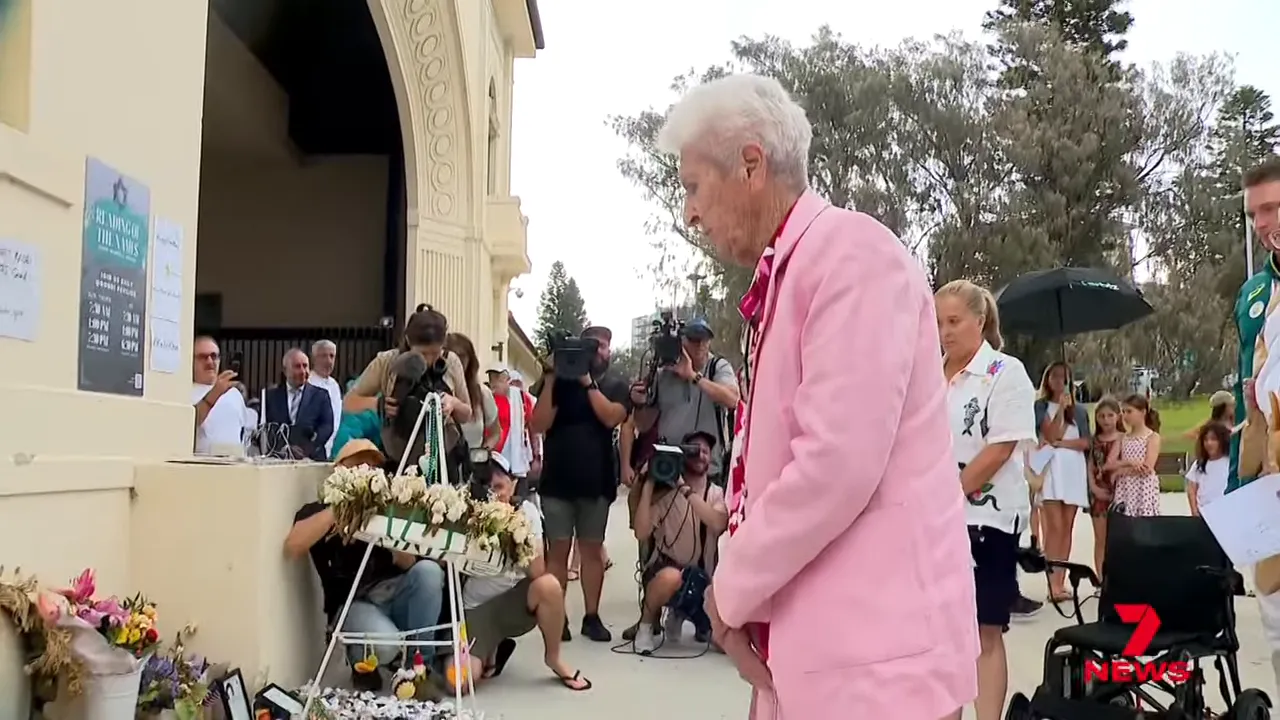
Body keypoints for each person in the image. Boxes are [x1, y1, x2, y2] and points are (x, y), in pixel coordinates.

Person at [657, 73, 978, 720]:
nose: (688, 211)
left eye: (693, 186)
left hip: (876, 663)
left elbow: (836, 464)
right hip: (832, 652)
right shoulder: (802, 264)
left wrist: (733, 584)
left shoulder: (853, 255)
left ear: (751, 164)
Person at [936, 280, 1036, 720]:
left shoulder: (1005, 373)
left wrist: (948, 493)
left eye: (954, 321)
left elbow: (1000, 448)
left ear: (980, 320)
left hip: (986, 520)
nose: (945, 332)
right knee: (940, 633)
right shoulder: (929, 375)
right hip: (933, 524)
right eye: (939, 323)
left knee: (984, 629)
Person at [283, 440, 446, 692]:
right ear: (339, 470)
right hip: (353, 601)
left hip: (393, 592)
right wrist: (341, 510)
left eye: (372, 466)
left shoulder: (385, 509)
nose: (367, 470)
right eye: (358, 464)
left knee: (430, 572)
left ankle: (422, 668)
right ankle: (361, 662)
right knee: (387, 644)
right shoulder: (319, 509)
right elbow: (294, 546)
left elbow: (409, 562)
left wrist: (385, 529)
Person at [440, 452, 591, 692]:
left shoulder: (527, 512)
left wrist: (514, 529)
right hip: (475, 611)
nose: (494, 494)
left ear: (513, 485)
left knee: (549, 585)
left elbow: (538, 572)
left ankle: (554, 658)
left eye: (499, 486)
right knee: (456, 682)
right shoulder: (464, 512)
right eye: (486, 487)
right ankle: (489, 649)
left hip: (514, 602)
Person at [529, 324, 630, 643]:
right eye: (595, 345)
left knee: (591, 550)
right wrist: (553, 378)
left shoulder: (614, 384)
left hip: (596, 479)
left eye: (604, 346)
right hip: (557, 481)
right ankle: (558, 619)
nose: (601, 351)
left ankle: (592, 616)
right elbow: (538, 423)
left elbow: (612, 417)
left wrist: (587, 382)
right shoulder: (557, 383)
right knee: (557, 552)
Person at [631, 431, 728, 654]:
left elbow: (717, 523)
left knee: (723, 644)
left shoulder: (717, 494)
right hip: (668, 575)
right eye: (694, 451)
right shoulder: (666, 494)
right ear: (682, 456)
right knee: (671, 577)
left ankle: (684, 615)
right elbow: (640, 532)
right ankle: (645, 625)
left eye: (705, 451)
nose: (700, 455)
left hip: (705, 582)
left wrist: (685, 489)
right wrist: (648, 484)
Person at [344, 305, 472, 462]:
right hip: (398, 456)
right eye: (423, 354)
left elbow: (467, 414)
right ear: (408, 341)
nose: (429, 360)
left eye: (435, 353)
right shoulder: (387, 361)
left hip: (442, 457)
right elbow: (349, 403)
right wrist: (379, 404)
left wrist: (453, 403)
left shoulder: (451, 362)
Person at [1034, 362, 1091, 604]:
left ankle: (1061, 581)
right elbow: (1050, 435)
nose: (1060, 381)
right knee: (1054, 527)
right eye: (1055, 376)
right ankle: (1051, 582)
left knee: (1067, 528)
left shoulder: (1079, 412)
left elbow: (1085, 442)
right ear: (1048, 380)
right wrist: (1059, 411)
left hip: (1073, 470)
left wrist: (1064, 445)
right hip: (1052, 471)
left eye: (1065, 377)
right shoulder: (1040, 407)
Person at [264, 348, 334, 461]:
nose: (303, 371)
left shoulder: (321, 396)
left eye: (305, 366)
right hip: (279, 461)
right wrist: (285, 449)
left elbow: (327, 427)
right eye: (297, 366)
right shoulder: (271, 397)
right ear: (285, 370)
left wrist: (306, 449)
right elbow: (267, 429)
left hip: (312, 460)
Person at [444, 333, 501, 454]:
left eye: (462, 356)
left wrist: (483, 451)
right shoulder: (433, 390)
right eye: (452, 356)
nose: (457, 362)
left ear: (470, 360)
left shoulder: (482, 393)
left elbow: (496, 432)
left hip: (473, 465)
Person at [1086, 397, 1124, 577]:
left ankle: (1117, 577)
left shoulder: (1124, 439)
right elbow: (1090, 466)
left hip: (1121, 491)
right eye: (1102, 416)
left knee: (1118, 539)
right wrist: (1093, 487)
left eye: (1110, 415)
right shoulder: (1094, 441)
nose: (1106, 420)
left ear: (1118, 416)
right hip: (1098, 493)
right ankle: (1101, 578)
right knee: (1100, 539)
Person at [191, 335, 247, 455]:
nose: (210, 361)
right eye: (203, 357)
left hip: (234, 466)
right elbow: (187, 424)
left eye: (214, 356)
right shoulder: (183, 391)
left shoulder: (235, 394)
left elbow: (243, 433)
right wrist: (214, 395)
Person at [1113, 394, 1163, 517]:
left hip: (1143, 488)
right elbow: (1113, 464)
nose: (1125, 416)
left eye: (1129, 412)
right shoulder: (1123, 438)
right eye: (1123, 412)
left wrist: (1124, 471)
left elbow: (1147, 468)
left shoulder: (1152, 437)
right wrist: (1129, 466)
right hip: (1125, 489)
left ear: (1143, 412)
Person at [308, 340, 344, 458]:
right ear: (314, 359)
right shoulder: (308, 383)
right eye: (323, 356)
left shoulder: (334, 385)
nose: (328, 361)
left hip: (334, 448)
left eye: (332, 356)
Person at [1186, 422, 1230, 517]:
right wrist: (1194, 510)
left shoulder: (1229, 462)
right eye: (1206, 440)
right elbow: (1192, 488)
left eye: (1213, 439)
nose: (1209, 443)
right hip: (1203, 511)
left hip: (1224, 511)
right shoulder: (1199, 464)